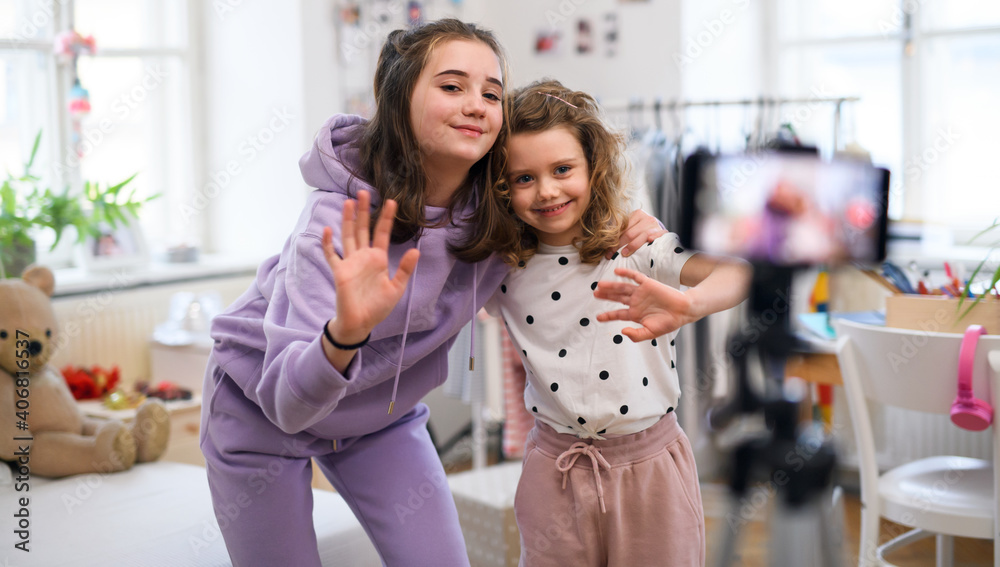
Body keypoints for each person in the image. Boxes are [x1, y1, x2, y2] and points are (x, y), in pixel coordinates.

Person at [200, 20, 663, 567]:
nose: (476, 104)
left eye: (491, 93)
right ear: (399, 100)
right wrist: (345, 334)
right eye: (451, 86)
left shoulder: (500, 214)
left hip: (381, 419)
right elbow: (288, 404)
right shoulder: (333, 223)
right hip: (261, 411)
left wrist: (636, 232)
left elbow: (574, 254)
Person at [480, 79, 752, 566]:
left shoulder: (635, 243)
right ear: (501, 187)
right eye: (523, 178)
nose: (546, 191)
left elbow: (738, 272)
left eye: (563, 169)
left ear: (593, 166)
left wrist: (690, 304)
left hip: (650, 468)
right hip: (554, 472)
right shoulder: (501, 267)